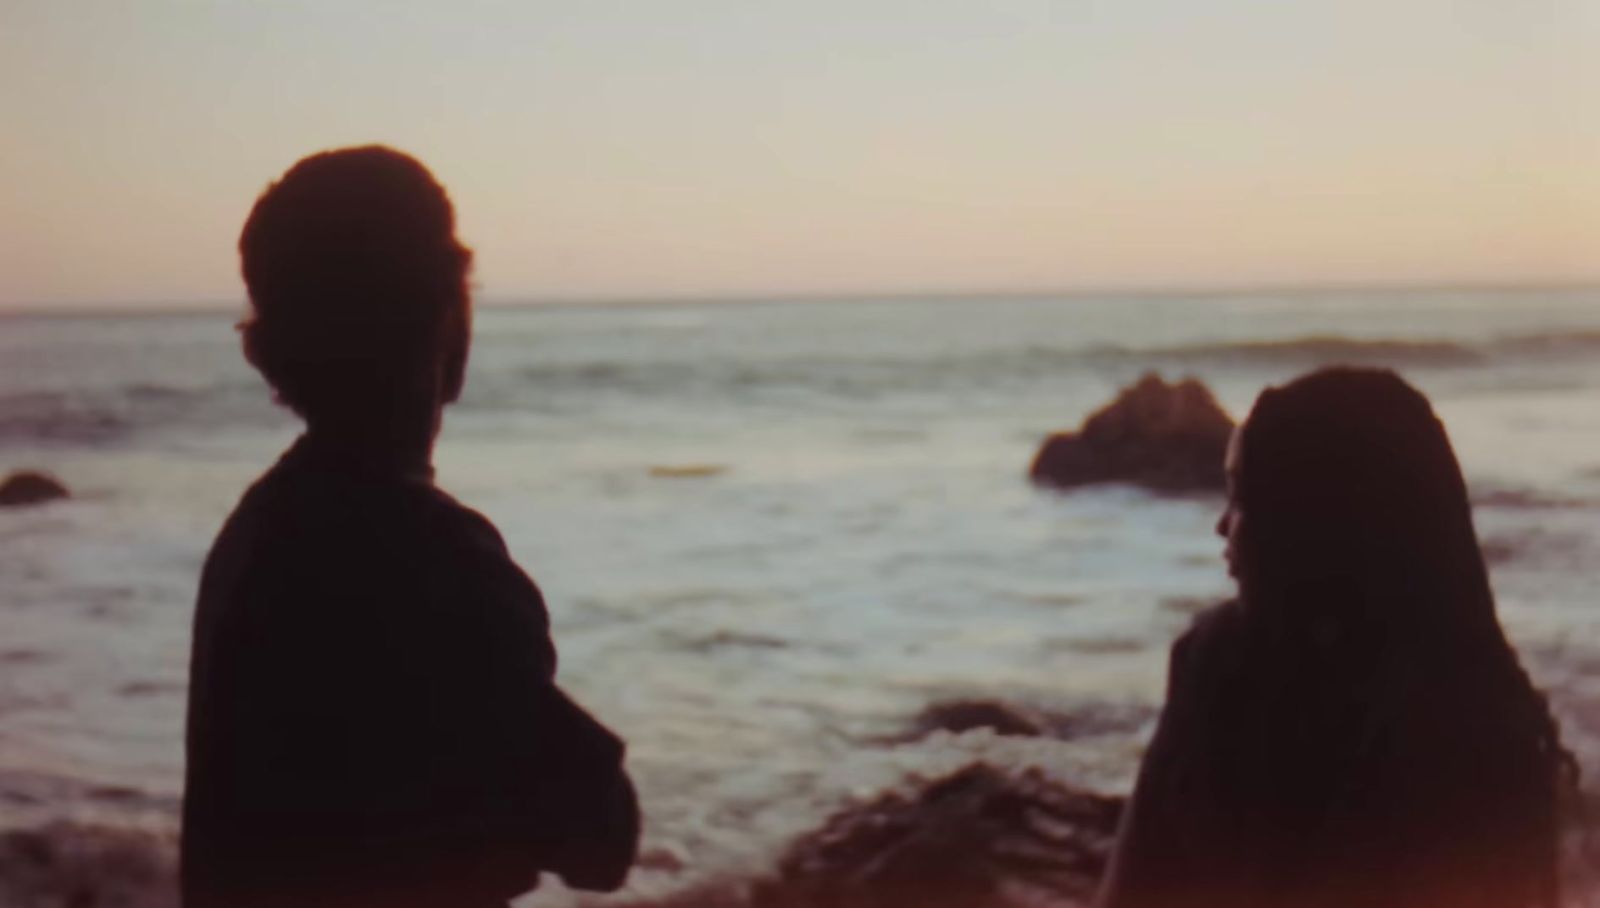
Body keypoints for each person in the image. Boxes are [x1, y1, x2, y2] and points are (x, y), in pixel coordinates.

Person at [182, 146, 639, 908]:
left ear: (271, 348)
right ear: (443, 317)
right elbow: (601, 841)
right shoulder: (436, 557)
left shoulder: (258, 533)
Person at [1098, 367, 1575, 908]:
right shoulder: (1484, 712)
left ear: (1309, 515)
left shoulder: (1224, 668)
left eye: (1242, 497)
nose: (1223, 526)